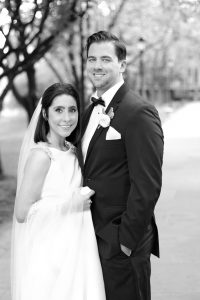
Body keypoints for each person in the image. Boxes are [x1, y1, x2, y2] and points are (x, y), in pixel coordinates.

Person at [80, 31, 164, 300]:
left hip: (120, 241)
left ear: (122, 65)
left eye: (106, 59)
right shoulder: (88, 111)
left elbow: (147, 185)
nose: (97, 66)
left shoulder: (138, 112)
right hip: (90, 238)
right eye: (92, 59)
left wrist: (125, 241)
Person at [11, 83, 106, 300]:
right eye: (58, 110)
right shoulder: (42, 156)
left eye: (72, 110)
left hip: (79, 248)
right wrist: (71, 205)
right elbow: (22, 212)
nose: (67, 118)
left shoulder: (73, 152)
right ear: (45, 113)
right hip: (51, 252)